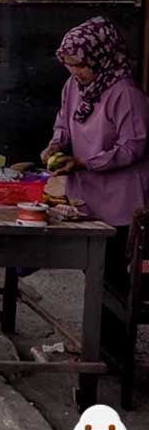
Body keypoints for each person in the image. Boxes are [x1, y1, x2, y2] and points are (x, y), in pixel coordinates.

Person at [42, 17, 149, 286]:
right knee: (94, 276)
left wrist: (83, 162)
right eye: (69, 65)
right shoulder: (74, 87)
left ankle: (111, 330)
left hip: (121, 201)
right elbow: (63, 123)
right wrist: (56, 144)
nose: (75, 72)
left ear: (101, 57)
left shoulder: (125, 93)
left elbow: (133, 146)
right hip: (86, 198)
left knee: (115, 281)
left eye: (80, 65)